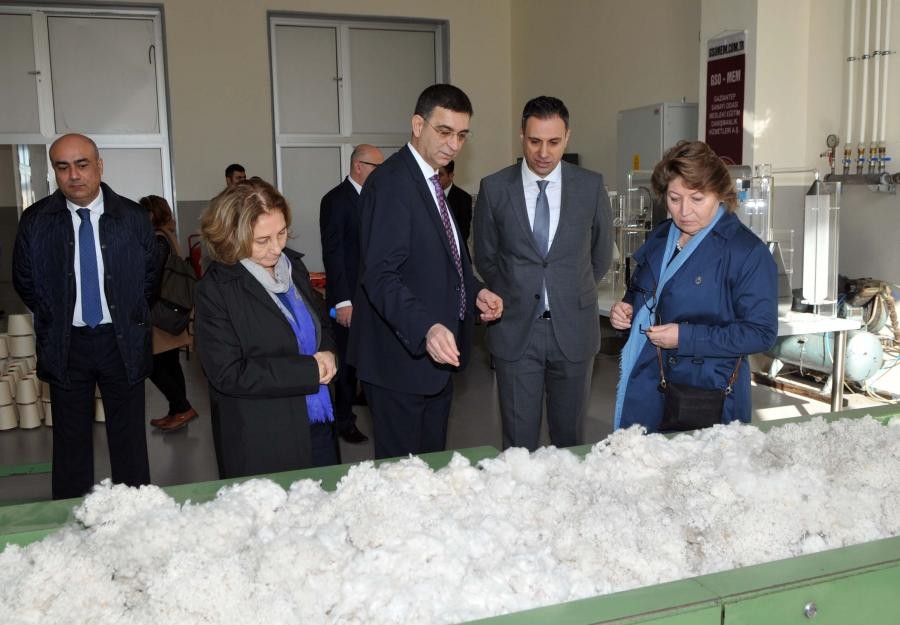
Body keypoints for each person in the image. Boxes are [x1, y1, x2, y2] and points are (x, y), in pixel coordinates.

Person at [348, 83, 503, 459]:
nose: (454, 144)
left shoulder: (430, 180)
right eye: (445, 131)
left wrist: (475, 291)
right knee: (404, 474)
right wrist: (426, 328)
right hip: (400, 359)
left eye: (462, 135)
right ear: (418, 125)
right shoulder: (392, 184)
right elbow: (381, 276)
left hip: (434, 357)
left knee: (431, 464)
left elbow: (446, 258)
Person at [12, 133, 158, 499]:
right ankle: (71, 515)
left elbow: (150, 278)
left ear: (99, 166)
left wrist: (128, 314)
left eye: (82, 164)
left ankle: (134, 512)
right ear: (54, 172)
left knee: (129, 438)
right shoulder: (36, 221)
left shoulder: (132, 218)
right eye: (63, 167)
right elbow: (24, 280)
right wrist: (55, 315)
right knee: (69, 440)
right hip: (66, 344)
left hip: (121, 342)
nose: (74, 175)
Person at [474, 96, 613, 451]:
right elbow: (486, 257)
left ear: (567, 138)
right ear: (522, 136)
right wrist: (515, 292)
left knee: (570, 440)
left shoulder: (590, 186)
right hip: (515, 329)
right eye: (535, 141)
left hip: (574, 328)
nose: (543, 152)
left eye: (554, 142)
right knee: (518, 445)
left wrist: (569, 288)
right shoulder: (494, 188)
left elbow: (599, 255)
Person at [610, 140, 778, 432]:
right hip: (650, 377)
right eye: (674, 198)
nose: (684, 211)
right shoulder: (662, 236)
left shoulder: (745, 251)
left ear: (720, 195)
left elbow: (761, 333)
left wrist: (685, 337)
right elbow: (643, 292)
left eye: (697, 199)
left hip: (705, 391)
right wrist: (625, 311)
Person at [195, 179, 338, 478]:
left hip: (317, 420)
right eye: (262, 240)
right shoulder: (217, 289)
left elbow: (320, 323)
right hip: (263, 437)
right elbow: (227, 372)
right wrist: (307, 371)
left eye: (282, 233)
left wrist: (328, 352)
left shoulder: (293, 267)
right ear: (232, 236)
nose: (277, 248)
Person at [319, 144, 384, 445]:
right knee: (345, 362)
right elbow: (333, 254)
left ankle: (364, 399)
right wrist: (343, 301)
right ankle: (343, 421)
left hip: (373, 296)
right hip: (348, 299)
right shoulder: (335, 200)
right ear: (359, 166)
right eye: (376, 167)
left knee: (367, 356)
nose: (381, 173)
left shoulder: (376, 198)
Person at [140, 195, 199, 432]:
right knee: (171, 364)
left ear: (151, 214)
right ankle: (177, 411)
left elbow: (152, 277)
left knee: (151, 364)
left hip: (159, 311)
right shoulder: (168, 235)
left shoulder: (158, 239)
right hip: (172, 309)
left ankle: (182, 407)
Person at [438, 160, 473, 245]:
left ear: (451, 176)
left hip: (455, 248)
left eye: (440, 174)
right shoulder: (427, 195)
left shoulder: (464, 198)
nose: (436, 178)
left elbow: (463, 233)